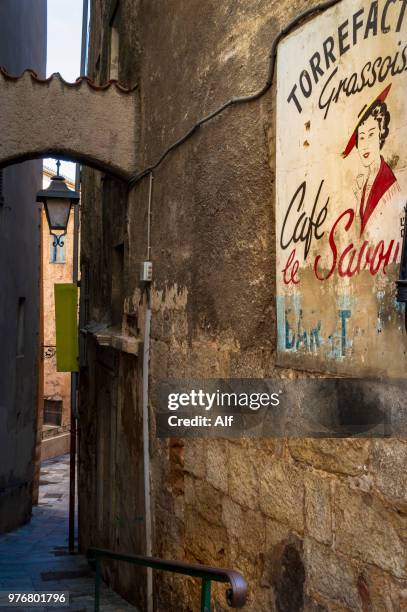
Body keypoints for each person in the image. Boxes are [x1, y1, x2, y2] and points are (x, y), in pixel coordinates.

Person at [342, 84, 398, 235]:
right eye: (361, 138)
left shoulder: (389, 183)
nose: (365, 145)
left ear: (381, 135)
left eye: (371, 134)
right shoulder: (364, 183)